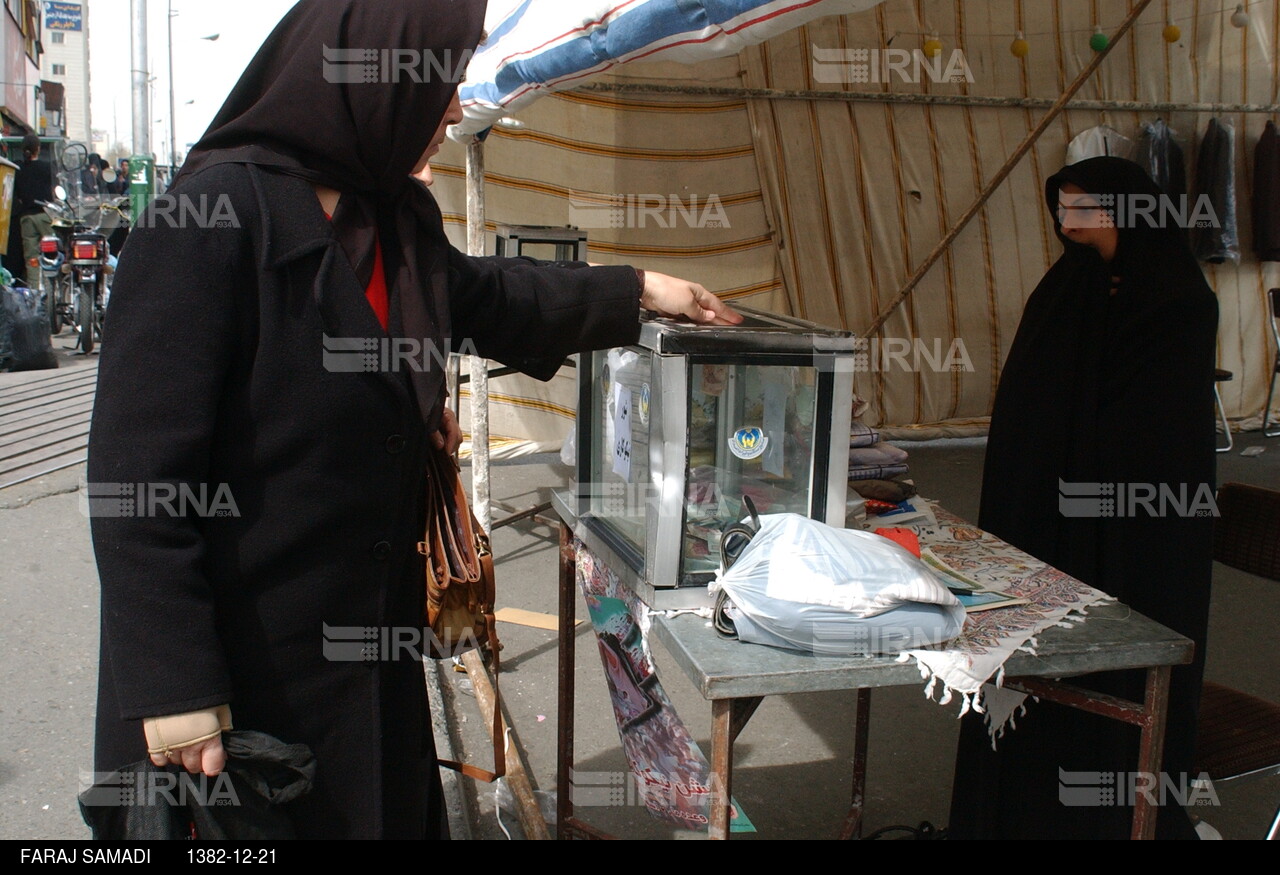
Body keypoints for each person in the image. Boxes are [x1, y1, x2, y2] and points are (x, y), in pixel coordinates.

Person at [87, 0, 741, 841]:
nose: (453, 106)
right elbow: (136, 481)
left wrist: (638, 289)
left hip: (371, 662)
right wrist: (174, 682)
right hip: (244, 679)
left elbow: (490, 294)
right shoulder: (209, 222)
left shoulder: (395, 217)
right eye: (439, 80)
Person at [948, 157, 1218, 840]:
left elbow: (1157, 433)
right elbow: (1031, 407)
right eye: (1062, 210)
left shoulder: (1176, 299)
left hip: (1137, 539)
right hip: (1055, 525)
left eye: (1086, 210)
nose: (1070, 225)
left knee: (1122, 672)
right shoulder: (1067, 288)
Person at [11, 134, 55, 290]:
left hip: (26, 218)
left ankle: (35, 293)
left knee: (32, 259)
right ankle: (52, 290)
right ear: (38, 149)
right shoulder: (47, 167)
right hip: (45, 216)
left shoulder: (18, 169)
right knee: (52, 254)